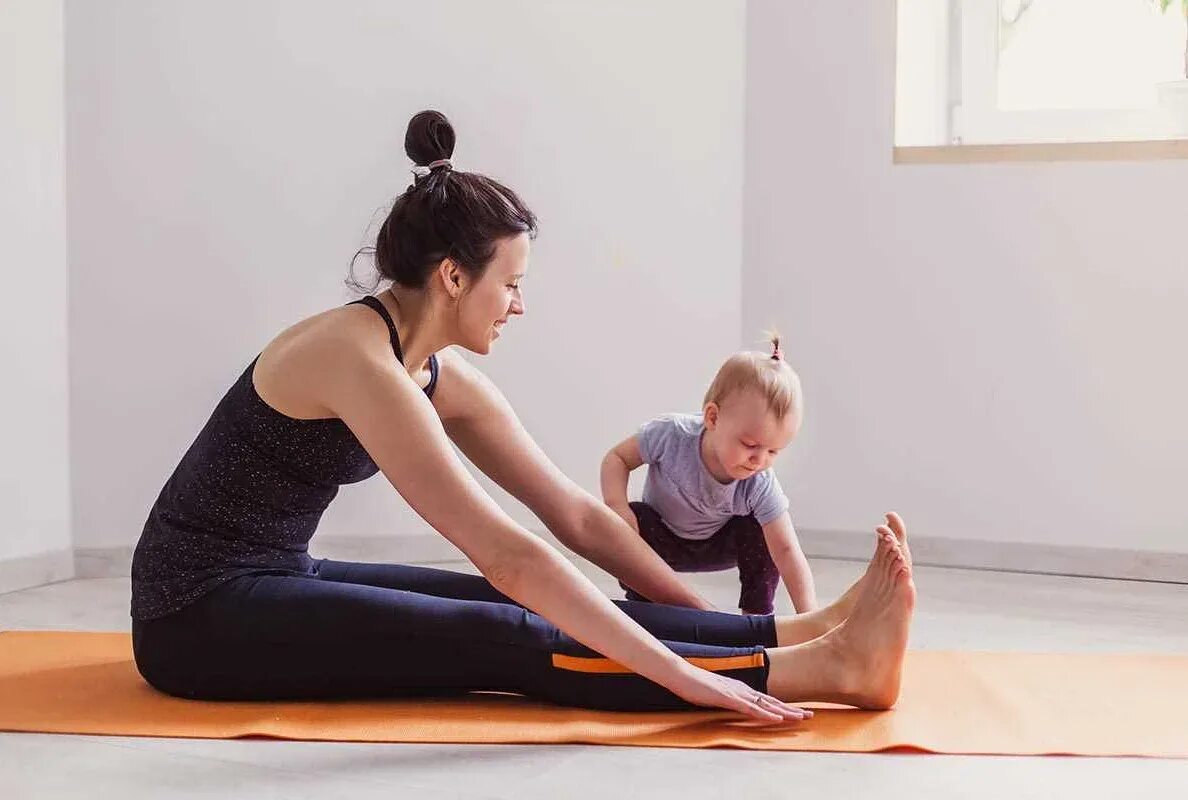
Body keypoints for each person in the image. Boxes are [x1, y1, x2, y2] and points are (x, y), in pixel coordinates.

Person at [129, 110, 916, 719]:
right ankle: (820, 670)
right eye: (509, 284)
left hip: (274, 574)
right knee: (508, 630)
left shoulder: (429, 369)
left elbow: (575, 517)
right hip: (196, 615)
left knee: (514, 604)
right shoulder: (358, 362)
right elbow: (511, 554)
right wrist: (680, 677)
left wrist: (702, 620)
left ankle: (797, 637)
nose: (520, 304)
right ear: (450, 276)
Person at [601, 335, 821, 616]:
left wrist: (810, 616)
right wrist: (617, 508)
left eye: (773, 452)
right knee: (633, 517)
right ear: (713, 418)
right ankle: (647, 604)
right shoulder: (671, 435)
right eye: (751, 445)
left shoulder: (759, 482)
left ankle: (755, 616)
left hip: (719, 544)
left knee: (763, 532)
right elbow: (616, 459)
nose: (760, 460)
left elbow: (788, 551)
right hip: (660, 540)